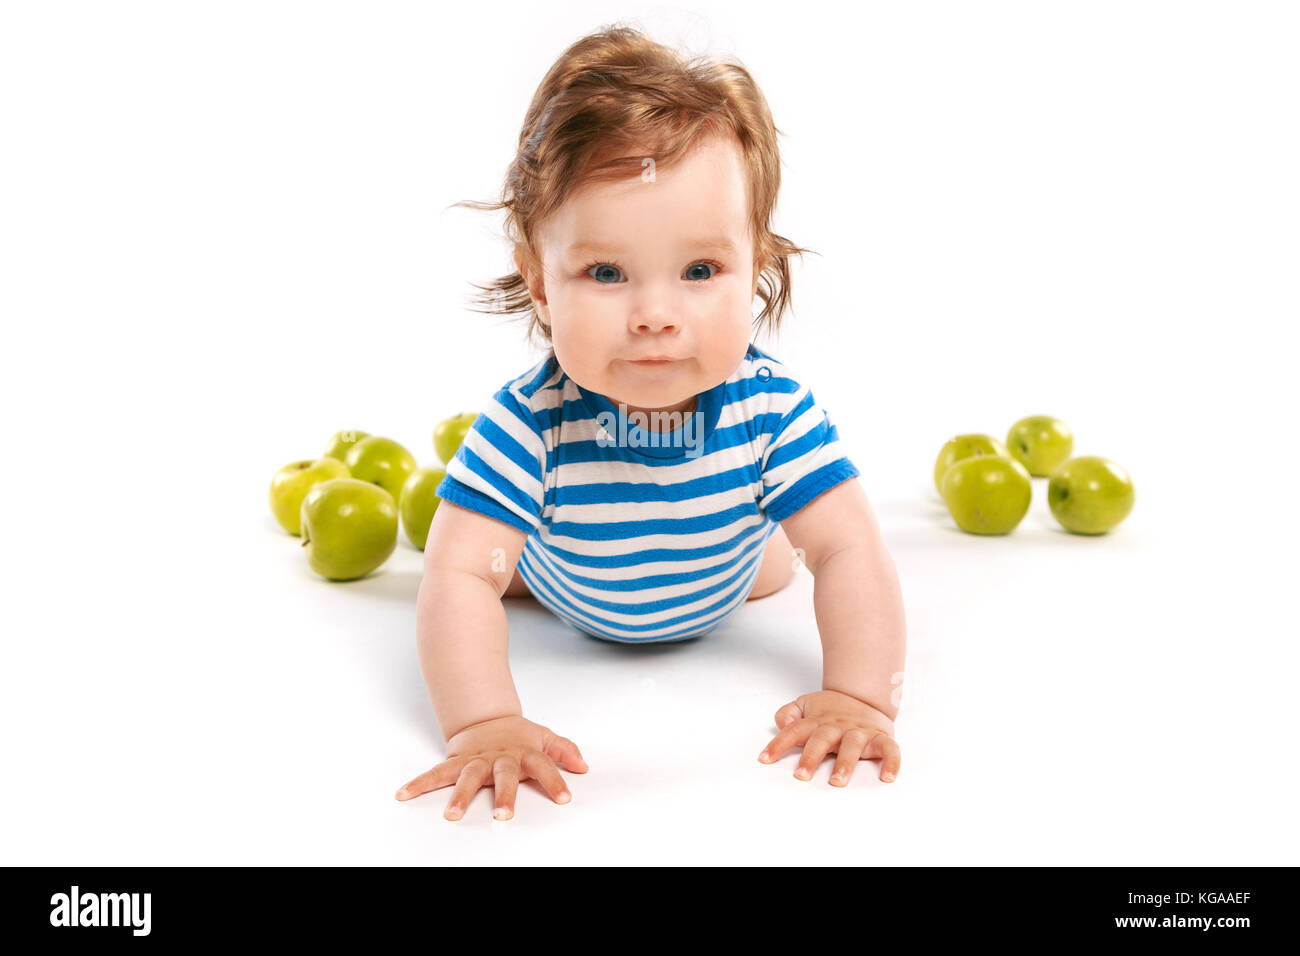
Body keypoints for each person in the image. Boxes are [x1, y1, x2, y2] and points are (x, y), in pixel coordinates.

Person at [396, 24, 906, 821]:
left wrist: (859, 697)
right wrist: (484, 722)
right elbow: (456, 578)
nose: (657, 315)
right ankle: (527, 553)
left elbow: (847, 549)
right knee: (482, 560)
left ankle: (751, 536)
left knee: (784, 556)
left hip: (732, 578)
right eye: (606, 272)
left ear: (755, 267)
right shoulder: (529, 426)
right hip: (573, 586)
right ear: (538, 281)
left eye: (700, 270)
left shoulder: (770, 411)